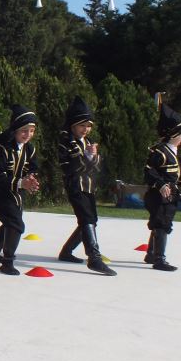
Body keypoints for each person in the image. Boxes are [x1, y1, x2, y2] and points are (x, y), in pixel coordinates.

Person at [56, 97, 117, 276]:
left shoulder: (87, 142)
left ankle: (66, 251)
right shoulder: (66, 140)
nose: (86, 129)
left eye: (88, 126)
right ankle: (94, 257)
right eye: (82, 125)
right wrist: (89, 158)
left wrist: (93, 157)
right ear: (73, 125)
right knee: (87, 219)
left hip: (88, 185)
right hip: (75, 185)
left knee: (90, 220)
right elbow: (73, 165)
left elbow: (96, 166)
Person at [0, 104, 41, 276]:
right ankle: (7, 262)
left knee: (10, 223)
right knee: (16, 224)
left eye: (31, 131)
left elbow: (33, 166)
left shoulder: (29, 148)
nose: (28, 135)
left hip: (15, 195)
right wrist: (20, 183)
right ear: (15, 129)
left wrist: (31, 177)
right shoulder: (2, 148)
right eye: (24, 130)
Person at [143, 104, 181, 271]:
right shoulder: (160, 151)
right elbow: (149, 171)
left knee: (160, 222)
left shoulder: (171, 150)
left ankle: (151, 253)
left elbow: (174, 173)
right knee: (161, 224)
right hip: (158, 195)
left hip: (170, 195)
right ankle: (159, 259)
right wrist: (161, 184)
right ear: (174, 134)